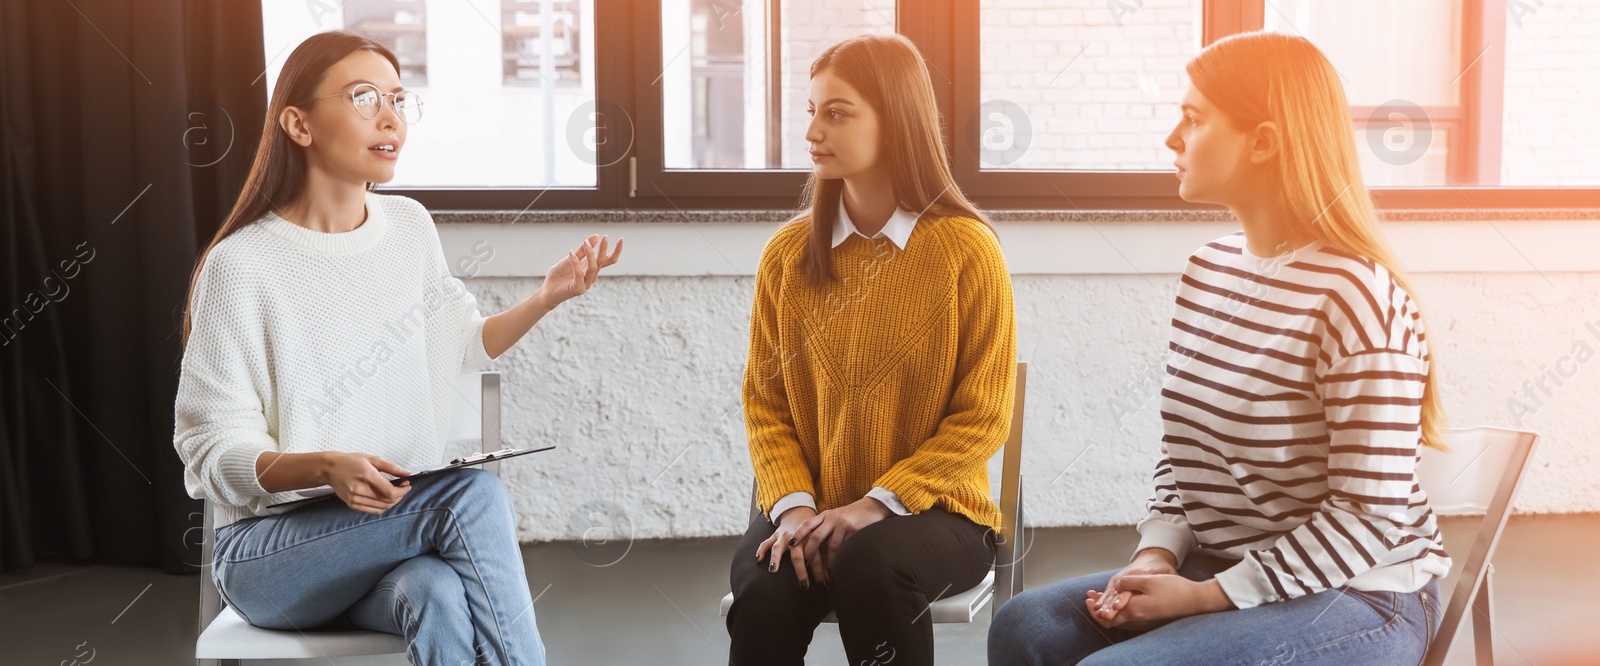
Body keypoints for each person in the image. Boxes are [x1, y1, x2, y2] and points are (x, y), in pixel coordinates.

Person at [989, 31, 1450, 665]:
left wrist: (1204, 597)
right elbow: (1187, 454)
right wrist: (1158, 553)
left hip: (1358, 593)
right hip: (1224, 567)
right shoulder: (1208, 271)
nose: (1173, 140)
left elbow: (1367, 517)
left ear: (1262, 141)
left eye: (1194, 119)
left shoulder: (1357, 294)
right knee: (1025, 625)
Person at [173, 30, 621, 665]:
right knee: (475, 494)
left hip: (392, 539)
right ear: (298, 124)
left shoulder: (409, 227)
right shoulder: (241, 265)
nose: (390, 118)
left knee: (434, 590)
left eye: (398, 100)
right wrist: (326, 466)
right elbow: (211, 447)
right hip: (270, 558)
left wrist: (545, 297)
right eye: (363, 97)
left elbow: (462, 345)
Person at [726, 33, 1017, 666]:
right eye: (810, 111)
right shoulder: (786, 257)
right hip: (811, 509)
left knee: (869, 562)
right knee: (762, 587)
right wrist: (797, 509)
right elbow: (765, 404)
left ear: (897, 120)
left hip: (941, 514)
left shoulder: (967, 251)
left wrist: (876, 504)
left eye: (837, 112)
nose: (813, 132)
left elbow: (985, 415)